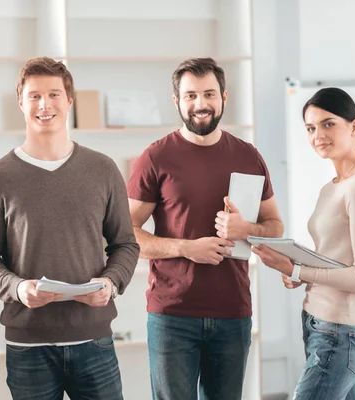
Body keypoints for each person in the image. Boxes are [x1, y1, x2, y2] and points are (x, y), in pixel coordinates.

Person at [0, 56, 140, 400]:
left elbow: (126, 245)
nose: (44, 105)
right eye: (34, 96)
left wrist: (110, 283)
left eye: (54, 95)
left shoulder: (102, 170)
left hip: (95, 342)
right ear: (21, 102)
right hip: (28, 346)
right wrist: (17, 289)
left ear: (69, 100)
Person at [127, 57, 284, 400]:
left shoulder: (248, 156)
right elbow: (127, 237)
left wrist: (247, 228)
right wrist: (185, 248)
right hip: (172, 315)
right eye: (191, 96)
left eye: (209, 94)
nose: (201, 104)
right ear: (177, 101)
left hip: (233, 313)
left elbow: (275, 226)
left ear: (224, 97)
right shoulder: (155, 158)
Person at [252, 87, 355, 399]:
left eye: (328, 124)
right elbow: (335, 256)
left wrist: (298, 269)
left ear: (354, 126)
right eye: (311, 128)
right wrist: (295, 270)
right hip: (318, 322)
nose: (318, 135)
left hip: (340, 331)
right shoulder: (333, 187)